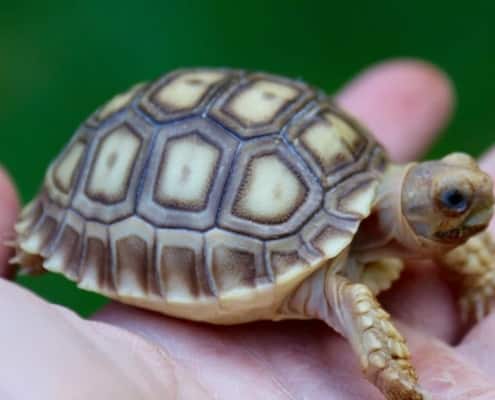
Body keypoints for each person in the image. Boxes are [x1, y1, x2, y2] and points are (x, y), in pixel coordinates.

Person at [1, 59, 494, 400]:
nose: (470, 204)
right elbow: (370, 335)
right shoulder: (336, 285)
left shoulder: (366, 216)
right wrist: (398, 379)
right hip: (134, 159)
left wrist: (475, 274)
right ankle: (50, 232)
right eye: (453, 201)